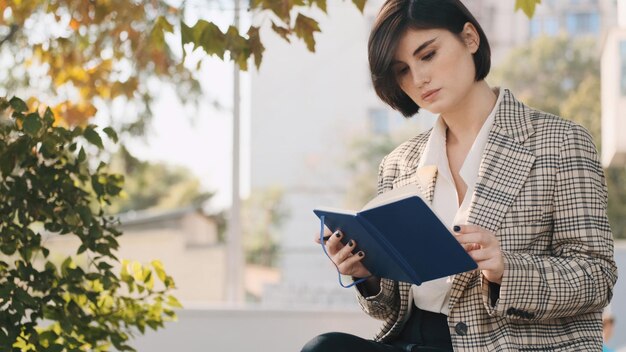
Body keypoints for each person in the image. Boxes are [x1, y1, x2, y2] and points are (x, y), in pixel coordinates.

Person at [301, 0, 618, 351]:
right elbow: (387, 307)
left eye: (428, 55)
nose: (418, 78)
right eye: (402, 70)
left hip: (507, 343)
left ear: (469, 38)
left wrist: (505, 269)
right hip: (413, 339)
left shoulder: (560, 143)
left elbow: (597, 278)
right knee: (324, 347)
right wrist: (366, 274)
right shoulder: (399, 163)